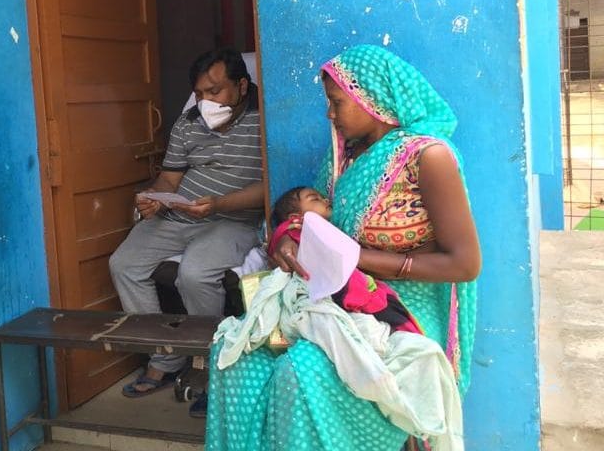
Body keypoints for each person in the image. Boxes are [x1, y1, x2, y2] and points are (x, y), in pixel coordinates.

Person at [206, 44, 481, 450]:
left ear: (372, 99)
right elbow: (304, 212)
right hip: (337, 295)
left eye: (337, 103)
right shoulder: (345, 159)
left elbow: (465, 264)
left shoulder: (429, 157)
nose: (329, 115)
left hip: (403, 306)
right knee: (234, 356)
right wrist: (286, 239)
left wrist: (360, 260)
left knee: (302, 375)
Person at [109, 48, 266, 413]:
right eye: (200, 94)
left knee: (194, 274)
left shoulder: (264, 123)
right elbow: (170, 178)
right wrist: (153, 198)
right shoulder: (188, 124)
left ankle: (213, 368)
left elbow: (267, 188)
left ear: (242, 86)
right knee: (124, 264)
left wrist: (218, 204)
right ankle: (165, 359)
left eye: (216, 91)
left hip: (232, 220)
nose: (206, 101)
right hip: (178, 216)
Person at [269, 186, 421, 334]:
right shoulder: (298, 232)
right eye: (315, 199)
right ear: (295, 217)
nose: (326, 200)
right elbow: (281, 238)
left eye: (323, 197)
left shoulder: (323, 229)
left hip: (348, 292)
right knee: (388, 315)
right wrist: (285, 232)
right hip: (346, 294)